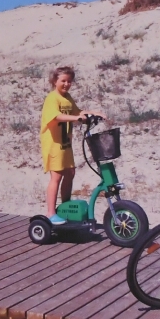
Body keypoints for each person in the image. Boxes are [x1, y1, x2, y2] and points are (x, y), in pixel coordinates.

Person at [40, 66, 105, 223]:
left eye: (69, 81)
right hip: (54, 144)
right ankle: (50, 213)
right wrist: (76, 119)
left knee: (70, 173)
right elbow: (56, 116)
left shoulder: (67, 98)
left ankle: (65, 207)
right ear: (55, 81)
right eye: (63, 81)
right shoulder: (52, 98)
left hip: (65, 144)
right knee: (56, 176)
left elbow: (77, 112)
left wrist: (93, 113)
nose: (66, 84)